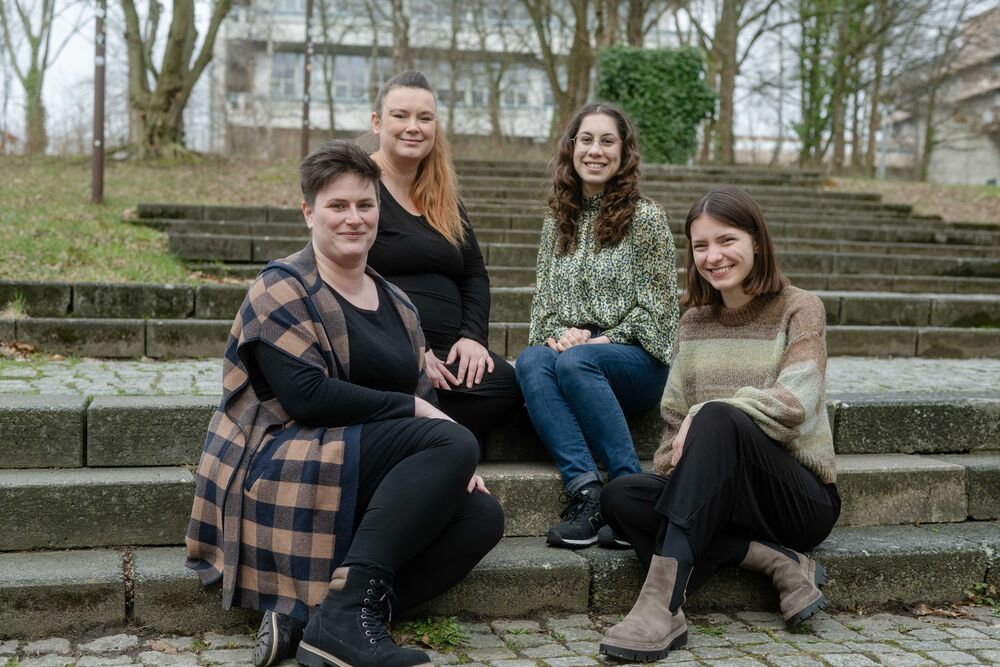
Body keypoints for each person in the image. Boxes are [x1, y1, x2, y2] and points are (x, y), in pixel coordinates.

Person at [185, 141, 504, 667]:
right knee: (451, 436)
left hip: (361, 465)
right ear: (309, 212)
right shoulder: (281, 287)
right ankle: (344, 621)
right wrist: (421, 416)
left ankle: (326, 616)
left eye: (365, 205)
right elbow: (306, 398)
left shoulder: (397, 304)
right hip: (284, 461)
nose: (353, 218)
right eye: (338, 206)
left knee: (482, 516)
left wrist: (452, 462)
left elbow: (421, 396)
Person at [598, 187, 841, 663]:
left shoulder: (800, 308)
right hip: (720, 499)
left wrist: (704, 414)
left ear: (756, 241)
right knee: (619, 497)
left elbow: (795, 404)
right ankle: (775, 560)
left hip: (793, 496)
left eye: (726, 240)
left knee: (717, 415)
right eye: (701, 245)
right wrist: (684, 464)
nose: (714, 256)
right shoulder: (693, 322)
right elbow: (672, 429)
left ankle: (662, 608)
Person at [515, 102, 679, 549]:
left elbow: (659, 310)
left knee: (578, 362)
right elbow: (544, 304)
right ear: (572, 148)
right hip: (576, 355)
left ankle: (631, 494)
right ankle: (587, 492)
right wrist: (559, 335)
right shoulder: (557, 220)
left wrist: (599, 339)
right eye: (586, 140)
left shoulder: (646, 219)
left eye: (608, 141)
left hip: (637, 360)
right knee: (530, 359)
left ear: (624, 153)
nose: (595, 150)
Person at [365, 70, 522, 443]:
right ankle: (426, 436)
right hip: (386, 345)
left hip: (451, 352)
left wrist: (472, 337)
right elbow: (349, 276)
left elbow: (474, 274)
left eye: (425, 118)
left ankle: (415, 432)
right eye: (400, 115)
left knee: (507, 386)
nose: (413, 127)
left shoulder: (443, 195)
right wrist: (412, 347)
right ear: (376, 122)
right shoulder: (358, 186)